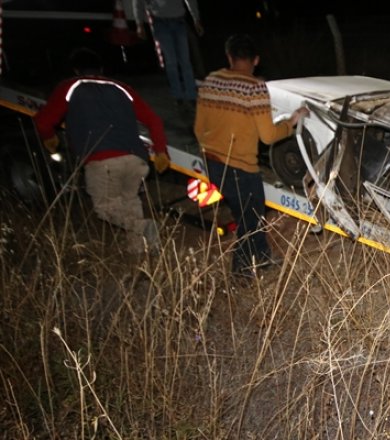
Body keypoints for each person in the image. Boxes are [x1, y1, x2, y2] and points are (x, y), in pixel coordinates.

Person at [33, 47, 170, 254]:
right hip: (136, 159)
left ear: (76, 69)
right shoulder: (122, 87)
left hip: (102, 159)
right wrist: (160, 152)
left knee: (105, 208)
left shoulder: (70, 86)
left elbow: (43, 121)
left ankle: (144, 228)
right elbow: (154, 120)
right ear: (101, 68)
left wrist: (49, 139)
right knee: (130, 201)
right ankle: (142, 251)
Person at [194, 34, 308, 277]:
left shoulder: (210, 81)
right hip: (241, 169)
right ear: (256, 60)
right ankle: (241, 273)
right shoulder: (254, 88)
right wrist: (292, 121)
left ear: (229, 56)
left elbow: (198, 129)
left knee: (252, 214)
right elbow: (268, 137)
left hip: (212, 163)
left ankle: (263, 257)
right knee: (250, 220)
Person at [132, 0, 203, 116]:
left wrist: (196, 18)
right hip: (160, 22)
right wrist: (139, 24)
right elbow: (138, 3)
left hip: (179, 20)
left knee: (185, 61)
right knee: (171, 62)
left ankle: (191, 96)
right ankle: (178, 97)